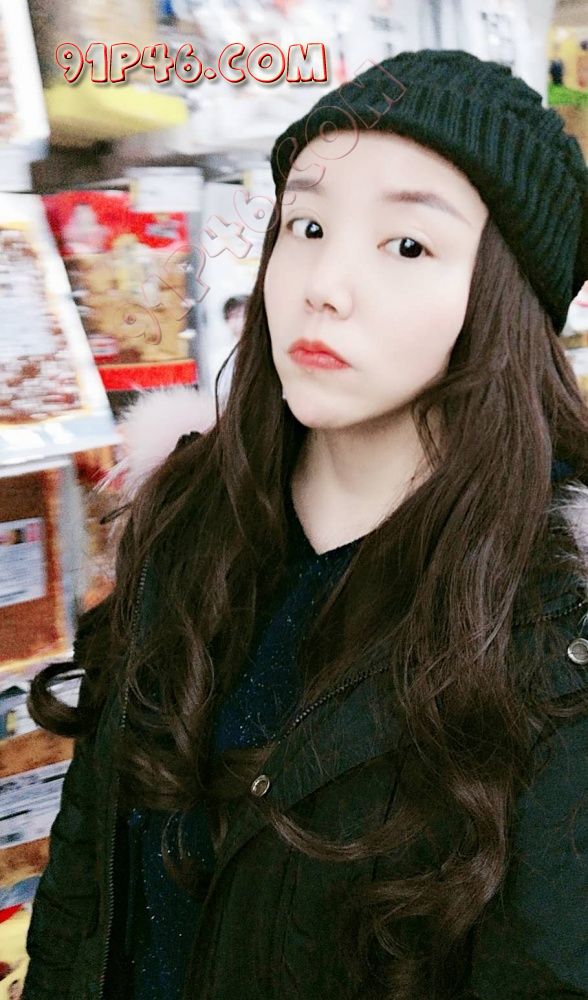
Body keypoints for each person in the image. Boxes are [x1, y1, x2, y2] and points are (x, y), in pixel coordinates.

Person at [22, 48, 588, 1000]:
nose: (324, 284)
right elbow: (86, 887)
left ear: (500, 299)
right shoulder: (191, 520)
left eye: (407, 246)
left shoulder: (552, 625)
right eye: (308, 225)